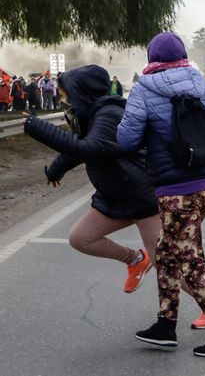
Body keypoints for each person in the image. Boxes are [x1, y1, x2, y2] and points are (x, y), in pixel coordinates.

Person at [118, 31, 205, 357]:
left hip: (175, 190)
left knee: (189, 257)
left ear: (151, 59)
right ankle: (165, 324)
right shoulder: (203, 84)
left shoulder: (143, 89)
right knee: (166, 253)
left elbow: (127, 141)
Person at [22, 65, 158, 294]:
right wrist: (55, 170)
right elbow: (81, 148)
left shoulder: (110, 115)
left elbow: (89, 148)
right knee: (81, 238)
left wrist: (36, 127)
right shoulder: (92, 115)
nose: (65, 100)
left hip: (140, 197)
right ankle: (136, 260)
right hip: (115, 196)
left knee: (166, 264)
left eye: (67, 95)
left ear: (82, 92)